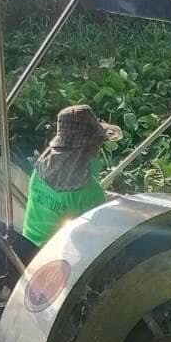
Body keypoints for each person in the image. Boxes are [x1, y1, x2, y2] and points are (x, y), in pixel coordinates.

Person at [22, 104, 122, 248]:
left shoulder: (40, 170)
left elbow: (64, 198)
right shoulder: (90, 192)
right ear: (91, 146)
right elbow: (98, 238)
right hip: (58, 262)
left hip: (26, 247)